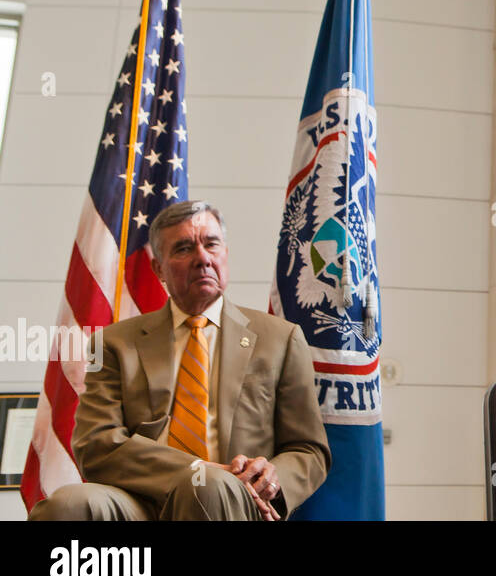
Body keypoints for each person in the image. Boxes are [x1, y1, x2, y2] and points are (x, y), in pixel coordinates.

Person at [29, 201, 329, 521]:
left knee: (207, 487)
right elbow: (96, 444)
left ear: (225, 253)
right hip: (140, 500)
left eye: (211, 244)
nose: (202, 258)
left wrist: (272, 476)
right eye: (184, 248)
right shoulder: (115, 344)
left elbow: (309, 450)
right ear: (159, 269)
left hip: (236, 501)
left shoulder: (280, 339)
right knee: (69, 504)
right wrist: (197, 469)